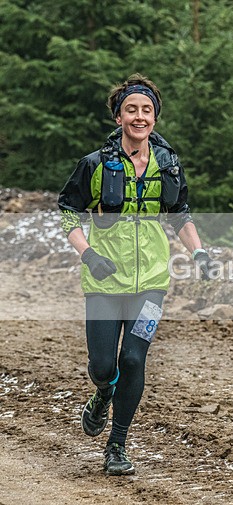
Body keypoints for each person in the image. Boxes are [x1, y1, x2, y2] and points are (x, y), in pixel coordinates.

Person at [58, 73, 211, 475]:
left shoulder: (169, 166)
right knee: (103, 366)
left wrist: (199, 253)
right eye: (131, 110)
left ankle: (117, 445)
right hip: (105, 281)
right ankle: (102, 393)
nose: (139, 117)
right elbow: (68, 210)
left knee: (134, 358)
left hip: (153, 284)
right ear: (118, 117)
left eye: (146, 110)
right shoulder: (94, 164)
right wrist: (88, 254)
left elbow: (180, 215)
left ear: (155, 118)